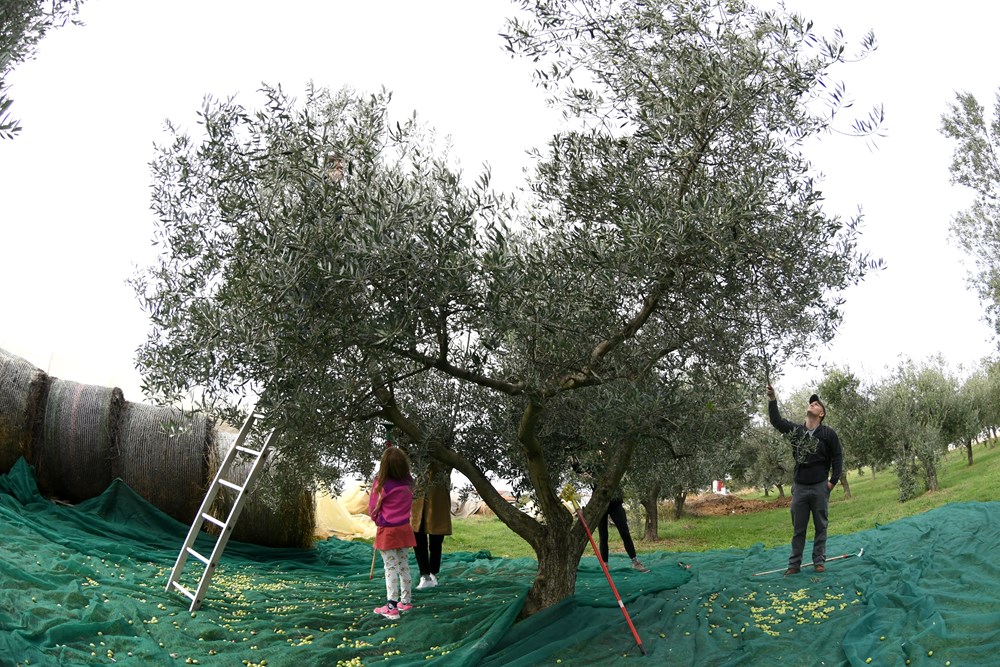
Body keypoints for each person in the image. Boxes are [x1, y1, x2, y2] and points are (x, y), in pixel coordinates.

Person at [766, 385, 843, 575]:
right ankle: (794, 565)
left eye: (816, 404)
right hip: (800, 488)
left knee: (820, 527)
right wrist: (772, 399)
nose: (812, 404)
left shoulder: (828, 434)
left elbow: (838, 458)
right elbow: (776, 421)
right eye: (811, 403)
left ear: (821, 413)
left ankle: (819, 562)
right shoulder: (796, 431)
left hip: (819, 487)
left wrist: (831, 482)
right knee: (798, 529)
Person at [368, 446, 417, 619]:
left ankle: (391, 606)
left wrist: (377, 520)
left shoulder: (381, 483)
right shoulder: (409, 482)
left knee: (390, 568)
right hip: (404, 529)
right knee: (403, 565)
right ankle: (406, 600)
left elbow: (373, 508)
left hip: (388, 531)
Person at [411, 462, 453, 589]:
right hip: (419, 497)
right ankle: (424, 574)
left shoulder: (443, 455)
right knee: (418, 536)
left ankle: (433, 572)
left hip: (437, 496)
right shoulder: (418, 455)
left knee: (436, 538)